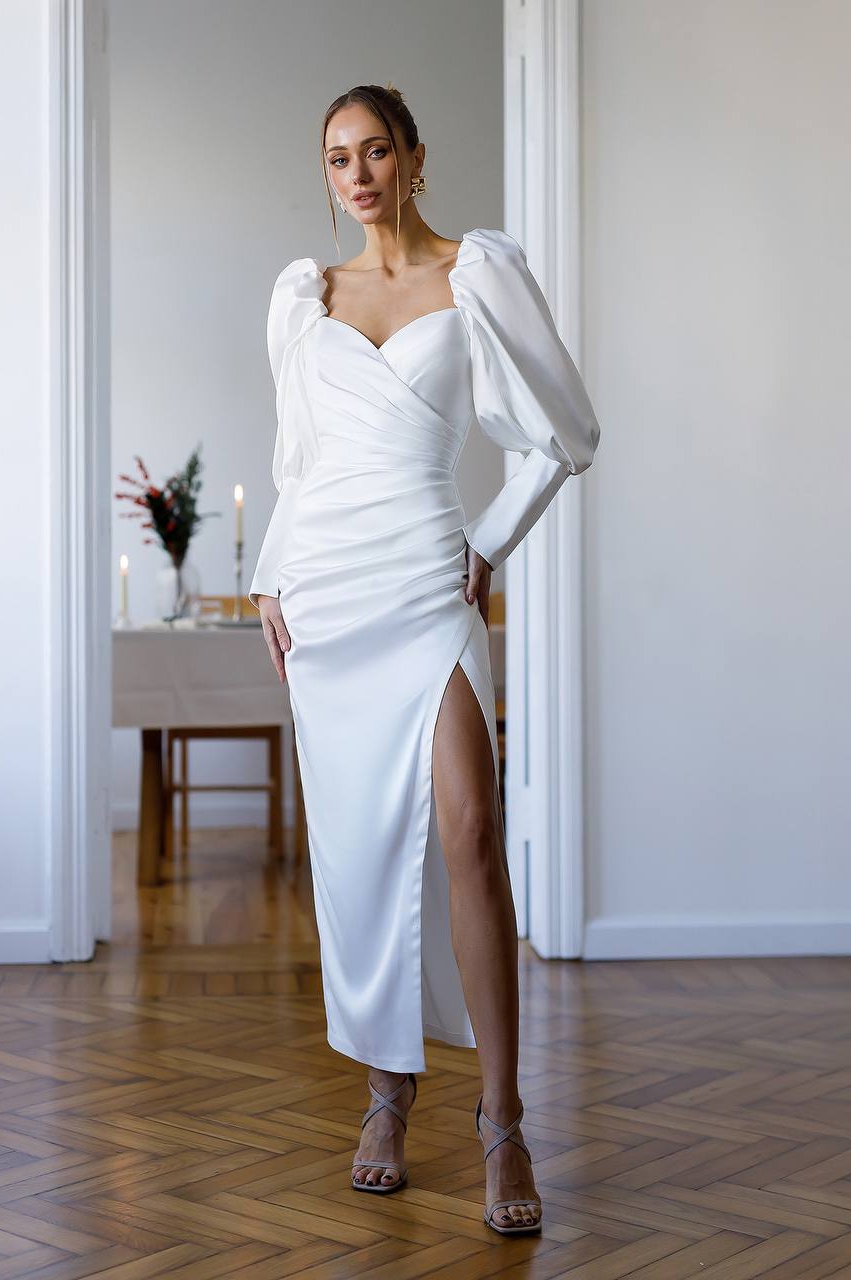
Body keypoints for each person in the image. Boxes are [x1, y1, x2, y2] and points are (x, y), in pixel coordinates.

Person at [248, 83, 600, 1236]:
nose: (357, 174)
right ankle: (387, 1094)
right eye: (337, 157)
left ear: (412, 156)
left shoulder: (475, 272)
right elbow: (297, 460)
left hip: (424, 582)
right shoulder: (306, 296)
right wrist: (268, 575)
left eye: (375, 151)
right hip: (327, 594)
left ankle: (502, 1115)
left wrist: (487, 541)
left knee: (471, 828)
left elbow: (569, 430)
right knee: (360, 852)